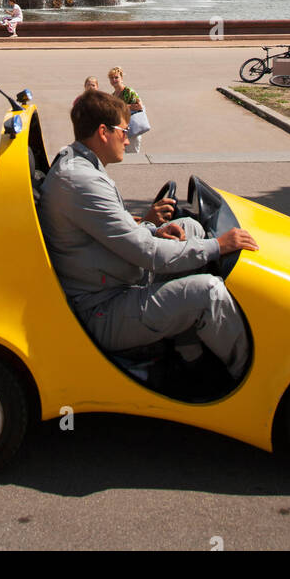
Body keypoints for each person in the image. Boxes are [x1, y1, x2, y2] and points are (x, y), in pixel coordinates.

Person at [38, 89, 258, 380]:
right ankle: (249, 378)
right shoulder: (81, 181)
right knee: (209, 292)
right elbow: (149, 254)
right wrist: (218, 245)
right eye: (124, 131)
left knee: (189, 228)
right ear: (104, 132)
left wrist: (153, 227)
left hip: (111, 281)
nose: (128, 140)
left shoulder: (79, 163)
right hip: (101, 308)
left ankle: (189, 356)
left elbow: (118, 237)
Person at [108, 65, 145, 154]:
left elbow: (139, 106)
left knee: (133, 155)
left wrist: (122, 107)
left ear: (121, 78)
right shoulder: (113, 95)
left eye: (116, 77)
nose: (114, 80)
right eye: (112, 78)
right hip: (120, 130)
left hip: (132, 128)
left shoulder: (128, 91)